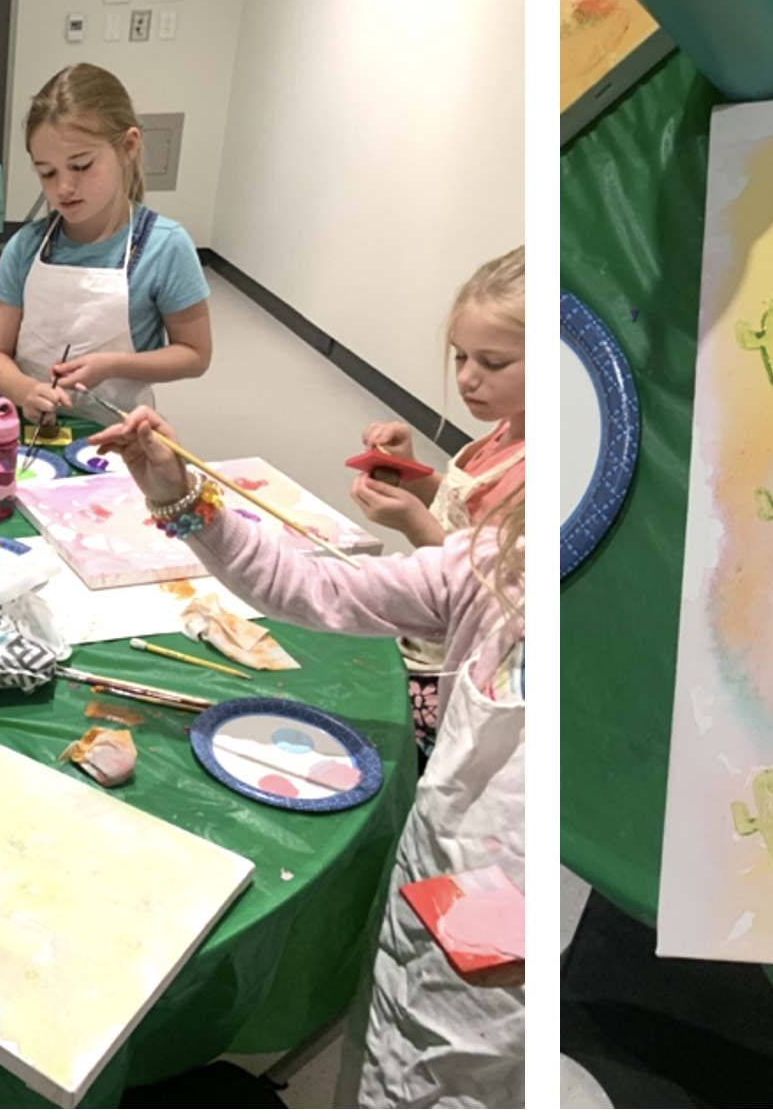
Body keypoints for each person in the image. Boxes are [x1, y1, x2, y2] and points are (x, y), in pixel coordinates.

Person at [91, 408, 525, 1109]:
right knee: (400, 1057)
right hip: (447, 893)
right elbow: (315, 588)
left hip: (529, 957)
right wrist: (174, 495)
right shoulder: (486, 570)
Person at [351, 246, 526, 768]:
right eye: (460, 356)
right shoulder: (506, 429)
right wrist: (412, 475)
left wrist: (413, 523)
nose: (468, 378)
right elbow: (465, 508)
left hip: (451, 667)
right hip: (422, 630)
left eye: (493, 363)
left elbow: (488, 587)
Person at [0, 64, 212, 422]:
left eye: (82, 166)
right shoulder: (27, 246)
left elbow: (195, 354)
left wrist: (113, 365)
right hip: (31, 433)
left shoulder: (164, 248)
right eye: (47, 173)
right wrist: (23, 390)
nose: (64, 188)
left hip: (122, 439)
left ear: (128, 147)